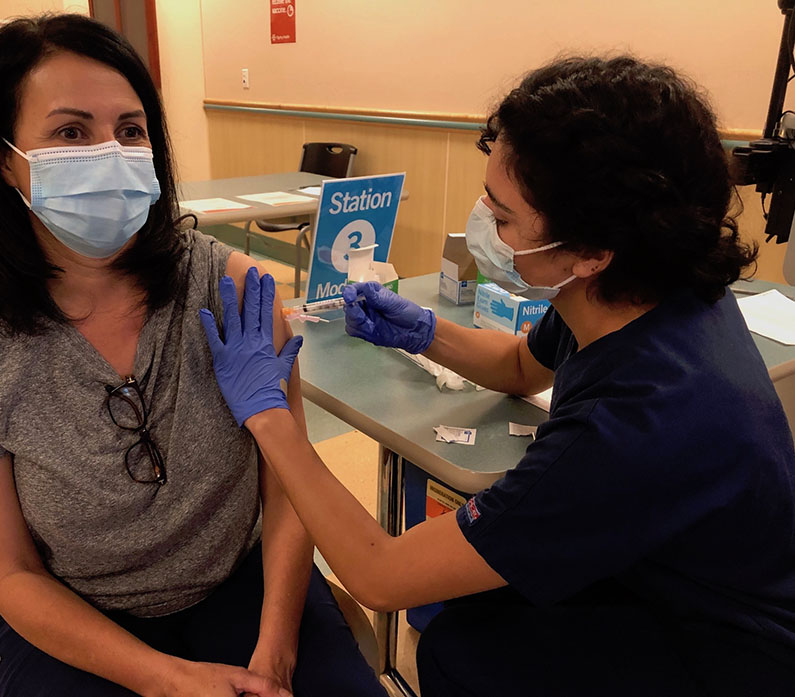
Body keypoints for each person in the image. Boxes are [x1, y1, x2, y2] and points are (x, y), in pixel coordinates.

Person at [199, 56, 795, 696]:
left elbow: (379, 574)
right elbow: (518, 366)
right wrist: (426, 332)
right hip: (662, 567)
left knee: (463, 650)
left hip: (727, 653)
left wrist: (271, 420)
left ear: (592, 252)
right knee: (472, 610)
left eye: (503, 217)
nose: (482, 221)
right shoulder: (642, 291)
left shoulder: (633, 423)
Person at [0, 14, 384, 697]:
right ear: (4, 156)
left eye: (130, 131)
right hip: (69, 618)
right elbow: (9, 571)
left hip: (242, 586)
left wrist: (275, 646)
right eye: (71, 132)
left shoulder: (233, 291)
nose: (111, 152)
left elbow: (288, 488)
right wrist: (165, 679)